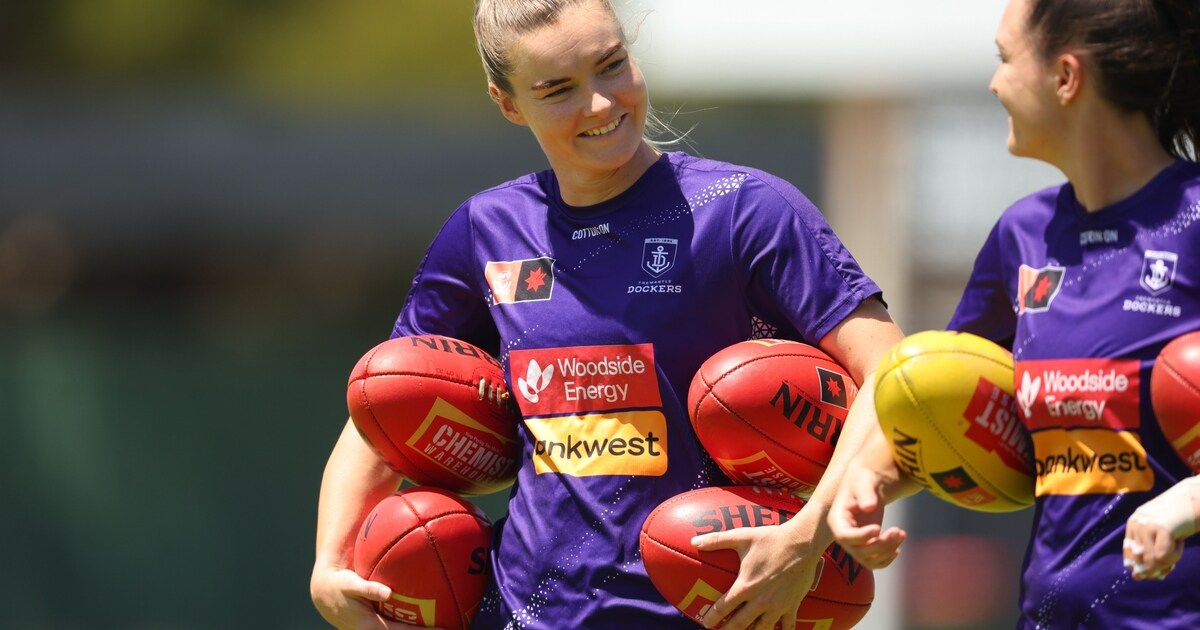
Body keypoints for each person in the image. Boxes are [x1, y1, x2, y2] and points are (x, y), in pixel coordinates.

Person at [309, 0, 904, 628]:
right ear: (509, 103)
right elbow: (386, 399)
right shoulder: (487, 232)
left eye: (611, 66)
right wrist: (330, 560)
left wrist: (807, 538)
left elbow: (893, 377)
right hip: (520, 615)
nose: (599, 104)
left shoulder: (743, 211)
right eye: (557, 89)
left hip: (717, 613)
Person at [828, 0, 1200, 627]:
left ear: (1066, 78)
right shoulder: (1022, 236)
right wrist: (869, 481)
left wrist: (1181, 507)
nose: (994, 82)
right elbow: (941, 403)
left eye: (1005, 59)